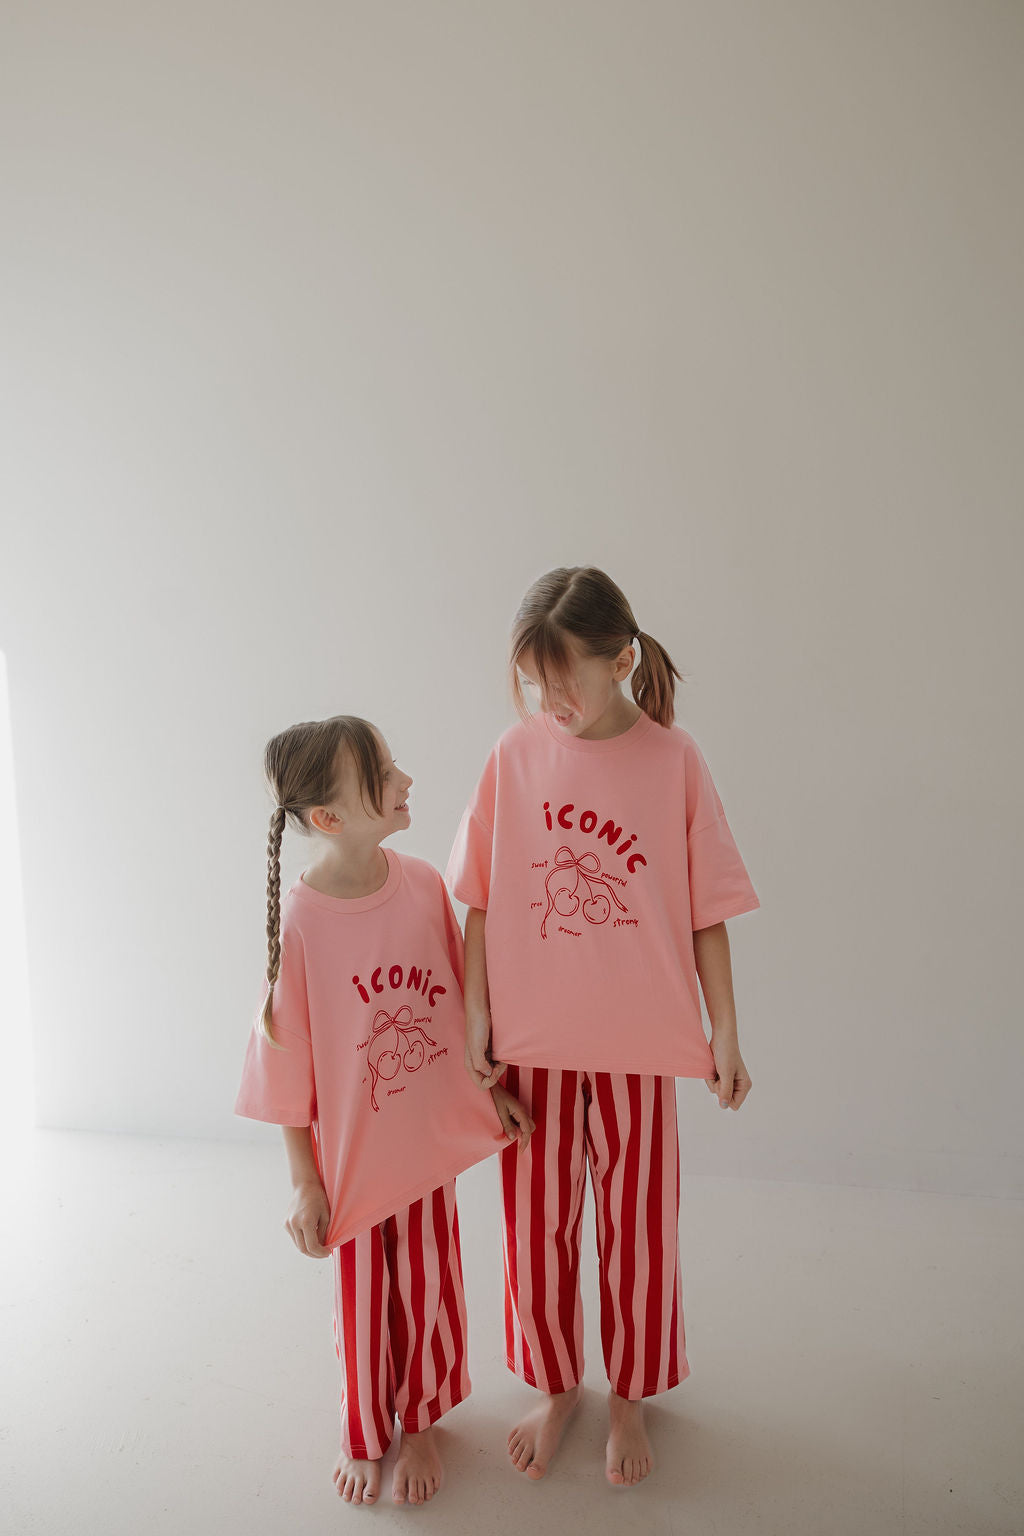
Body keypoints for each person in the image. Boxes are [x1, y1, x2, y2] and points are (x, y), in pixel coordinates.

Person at [447, 566, 759, 1489]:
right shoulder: (514, 755)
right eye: (536, 683)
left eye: (566, 678)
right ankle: (555, 1386)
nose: (552, 700)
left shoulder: (675, 761)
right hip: (532, 1053)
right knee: (535, 1232)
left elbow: (709, 911)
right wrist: (475, 1018)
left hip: (638, 1053)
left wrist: (727, 1035)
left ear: (622, 659)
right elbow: (476, 900)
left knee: (638, 1231)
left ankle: (628, 1393)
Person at [235, 715, 533, 1508]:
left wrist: (489, 1090)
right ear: (329, 819)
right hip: (357, 1162)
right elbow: (287, 1067)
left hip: (425, 1147)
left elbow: (455, 1010)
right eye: (385, 776)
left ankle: (425, 1418)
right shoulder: (301, 926)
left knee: (432, 1283)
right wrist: (305, 1183)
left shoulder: (425, 886)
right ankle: (364, 1429)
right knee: (365, 1297)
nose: (406, 783)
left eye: (396, 767)